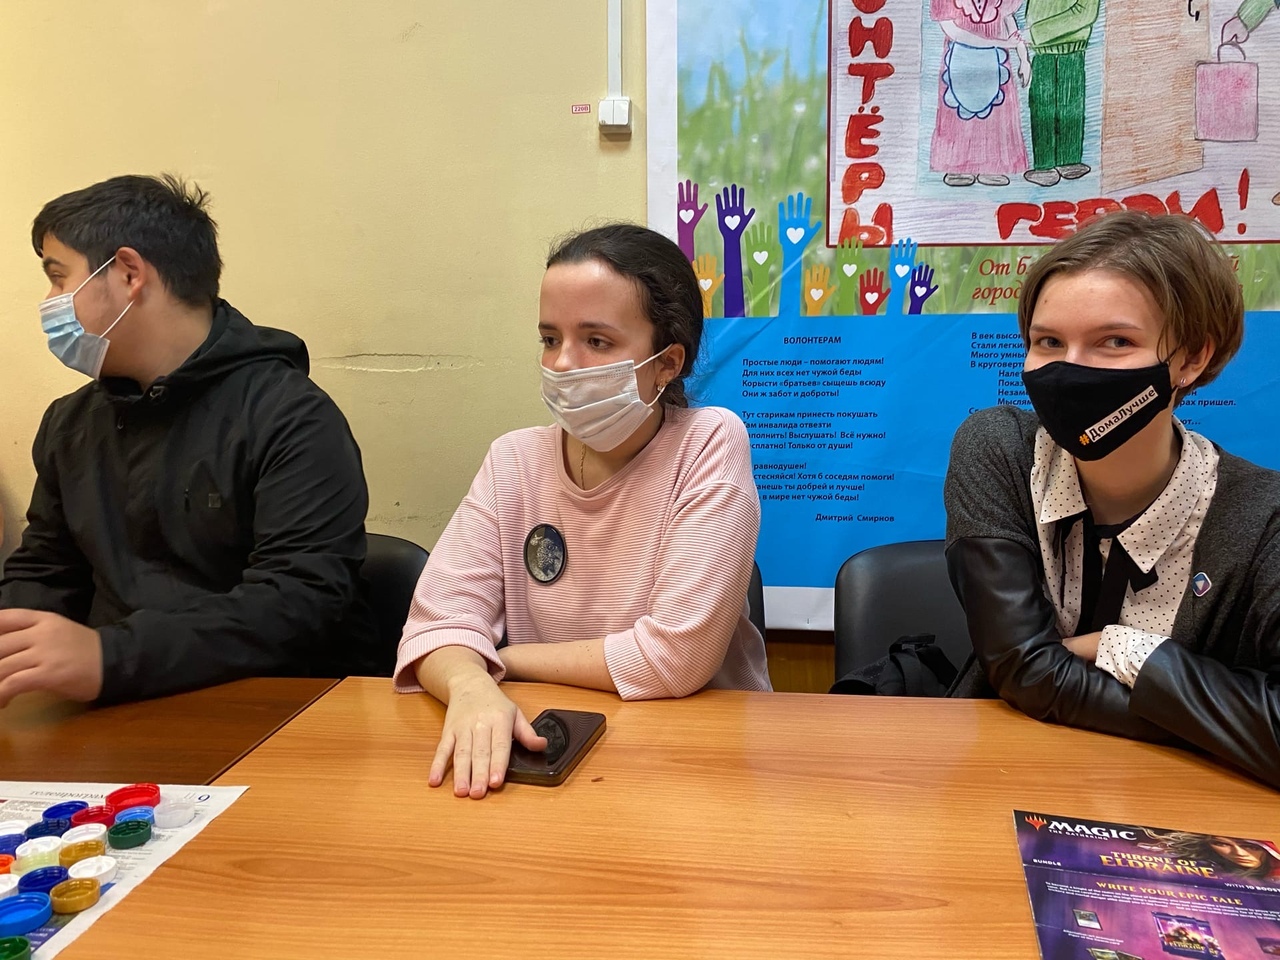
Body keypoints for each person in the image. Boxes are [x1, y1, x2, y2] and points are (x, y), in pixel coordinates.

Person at [394, 223, 770, 799]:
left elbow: (673, 659)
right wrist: (470, 686)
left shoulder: (708, 443)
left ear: (666, 363)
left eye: (596, 341)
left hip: (696, 760)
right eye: (550, 339)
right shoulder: (513, 459)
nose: (563, 363)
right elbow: (436, 625)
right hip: (552, 751)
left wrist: (506, 660)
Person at [0, 174, 376, 707]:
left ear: (129, 273)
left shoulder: (289, 416)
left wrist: (109, 657)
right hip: (111, 712)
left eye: (60, 279)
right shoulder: (70, 422)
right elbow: (46, 569)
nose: (50, 301)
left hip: (267, 711)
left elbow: (298, 601)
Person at [944, 210, 1280, 790]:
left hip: (1182, 801)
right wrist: (1220, 724)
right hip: (1001, 774)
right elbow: (1023, 670)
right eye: (1049, 341)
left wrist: (1125, 651)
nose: (1070, 369)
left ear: (1191, 359)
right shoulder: (1000, 449)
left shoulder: (1263, 516)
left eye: (1115, 342)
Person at [929, 0, 1030, 188]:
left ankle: (993, 166)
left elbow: (1010, 24)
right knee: (957, 119)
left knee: (996, 119)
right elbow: (954, 32)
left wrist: (1024, 58)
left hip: (995, 65)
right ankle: (957, 166)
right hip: (960, 64)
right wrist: (1000, 43)